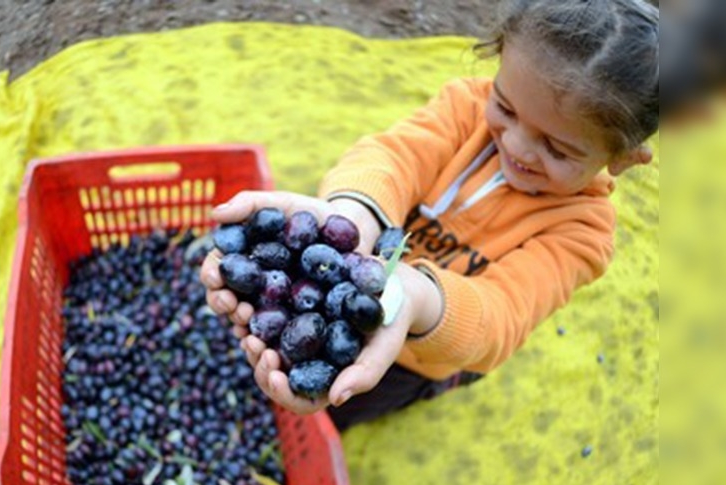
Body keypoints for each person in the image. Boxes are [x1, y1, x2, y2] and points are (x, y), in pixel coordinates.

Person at [200, 0, 659, 431]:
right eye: (504, 107)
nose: (516, 146)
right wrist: (353, 217)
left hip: (419, 354)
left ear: (622, 157)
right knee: (285, 358)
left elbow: (500, 317)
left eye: (556, 148)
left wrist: (411, 300)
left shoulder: (583, 233)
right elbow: (391, 159)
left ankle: (443, 382)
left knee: (342, 404)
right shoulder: (463, 110)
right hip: (355, 291)